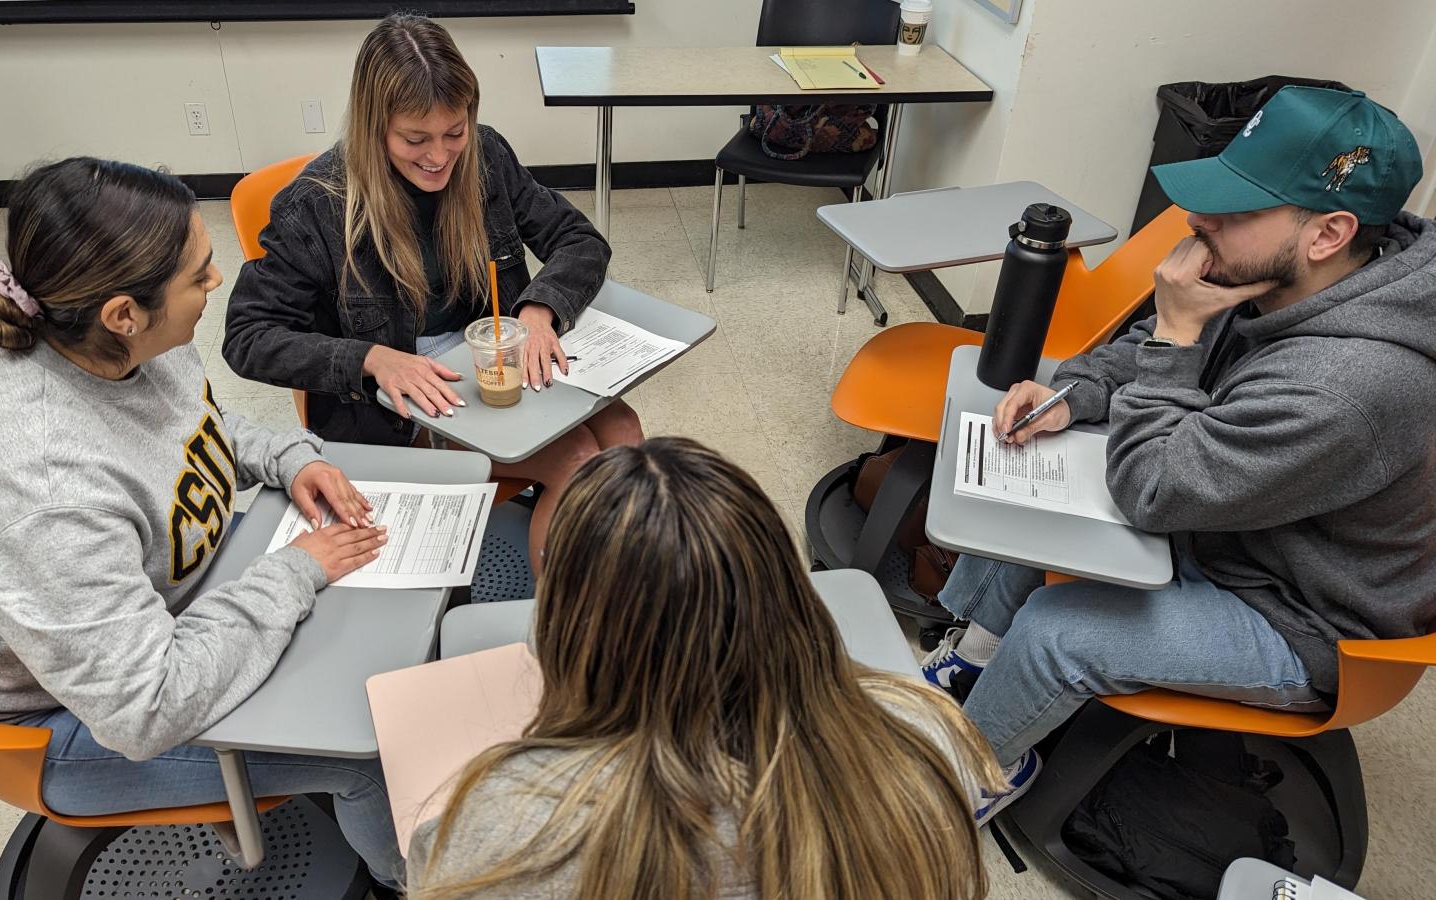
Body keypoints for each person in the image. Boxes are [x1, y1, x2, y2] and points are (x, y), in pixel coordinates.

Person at [920, 86, 1436, 820]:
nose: (1201, 223)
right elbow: (1144, 354)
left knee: (1057, 631)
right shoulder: (1284, 274)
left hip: (1302, 615)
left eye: (1235, 211)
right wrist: (1072, 395)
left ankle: (973, 775)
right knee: (1033, 473)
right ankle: (971, 661)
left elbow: (1155, 489)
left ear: (1329, 233)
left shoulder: (1347, 387)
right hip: (1233, 519)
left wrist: (1175, 336)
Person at [0, 157, 404, 885]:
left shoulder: (105, 336)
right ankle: (417, 880)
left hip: (166, 605)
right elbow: (146, 707)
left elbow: (185, 430)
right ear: (123, 313)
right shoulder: (43, 492)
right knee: (370, 755)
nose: (217, 286)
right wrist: (298, 571)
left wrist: (290, 457)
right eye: (201, 276)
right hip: (66, 717)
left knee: (376, 635)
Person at [406, 438, 1005, 900]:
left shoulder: (507, 832)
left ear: (570, 629)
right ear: (786, 590)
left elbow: (438, 868)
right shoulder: (926, 732)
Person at [224, 14, 641, 572]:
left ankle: (625, 597)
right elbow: (247, 336)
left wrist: (540, 312)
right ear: (375, 128)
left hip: (485, 369)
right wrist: (370, 358)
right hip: (392, 414)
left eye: (455, 132)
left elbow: (578, 240)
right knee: (577, 460)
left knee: (623, 430)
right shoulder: (318, 206)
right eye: (414, 139)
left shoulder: (485, 156)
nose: (440, 157)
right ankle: (564, 634)